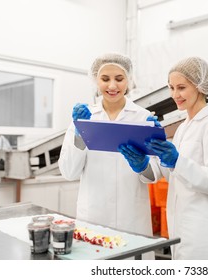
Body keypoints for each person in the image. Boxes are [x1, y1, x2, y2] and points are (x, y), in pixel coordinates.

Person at [120, 57, 208, 260]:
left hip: (205, 234)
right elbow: (169, 171)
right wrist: (143, 162)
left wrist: (177, 160)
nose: (175, 95)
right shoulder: (183, 128)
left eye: (181, 87)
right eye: (171, 87)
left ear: (200, 87)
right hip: (181, 228)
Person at [58, 53, 158, 259]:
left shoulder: (142, 117)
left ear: (128, 80)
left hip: (131, 217)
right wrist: (79, 135)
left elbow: (154, 174)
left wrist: (143, 164)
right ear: (96, 80)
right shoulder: (84, 118)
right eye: (105, 79)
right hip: (94, 215)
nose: (112, 86)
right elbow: (68, 171)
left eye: (119, 79)